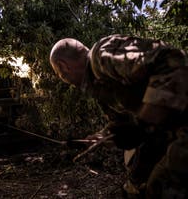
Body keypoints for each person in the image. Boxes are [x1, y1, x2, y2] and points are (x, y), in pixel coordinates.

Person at [49, 34, 188, 198]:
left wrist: (143, 124)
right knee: (138, 186)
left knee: (161, 188)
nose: (63, 78)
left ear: (63, 66)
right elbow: (121, 120)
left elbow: (173, 60)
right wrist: (101, 137)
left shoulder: (101, 57)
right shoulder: (97, 82)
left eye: (59, 74)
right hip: (171, 132)